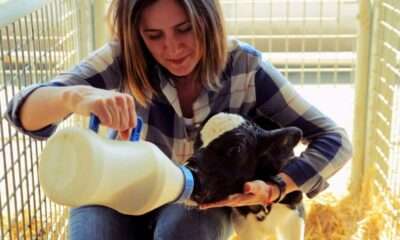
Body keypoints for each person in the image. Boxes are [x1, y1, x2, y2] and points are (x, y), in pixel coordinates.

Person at [5, 0, 352, 239]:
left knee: (184, 231)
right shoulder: (122, 59)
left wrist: (277, 185)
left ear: (207, 21)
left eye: (184, 29)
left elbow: (334, 139)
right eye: (153, 36)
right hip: (113, 191)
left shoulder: (243, 66)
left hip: (196, 197)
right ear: (137, 34)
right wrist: (76, 96)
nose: (172, 48)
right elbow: (23, 112)